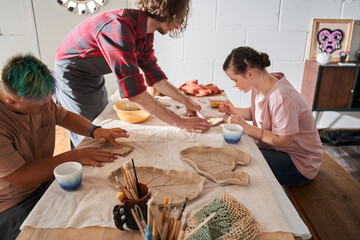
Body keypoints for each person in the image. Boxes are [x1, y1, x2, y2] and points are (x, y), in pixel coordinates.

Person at [0, 54, 129, 239]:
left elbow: (63, 116)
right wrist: (73, 156)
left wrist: (95, 130)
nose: (47, 108)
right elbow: (21, 177)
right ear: (11, 102)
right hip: (11, 202)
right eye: (40, 107)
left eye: (48, 102)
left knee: (93, 210)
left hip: (41, 181)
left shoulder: (37, 100)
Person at [54, 0, 210, 147]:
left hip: (92, 73)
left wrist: (187, 101)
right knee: (88, 133)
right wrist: (180, 123)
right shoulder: (119, 26)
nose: (177, 26)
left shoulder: (145, 33)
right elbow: (134, 93)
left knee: (101, 120)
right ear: (167, 11)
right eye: (178, 19)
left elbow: (156, 78)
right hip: (72, 73)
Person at [219, 46, 323, 186]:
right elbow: (260, 112)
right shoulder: (260, 85)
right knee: (233, 154)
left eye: (235, 80)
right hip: (278, 150)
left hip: (299, 163)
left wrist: (246, 128)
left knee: (237, 165)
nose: (233, 85)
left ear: (250, 74)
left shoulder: (281, 97)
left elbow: (283, 141)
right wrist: (235, 110)